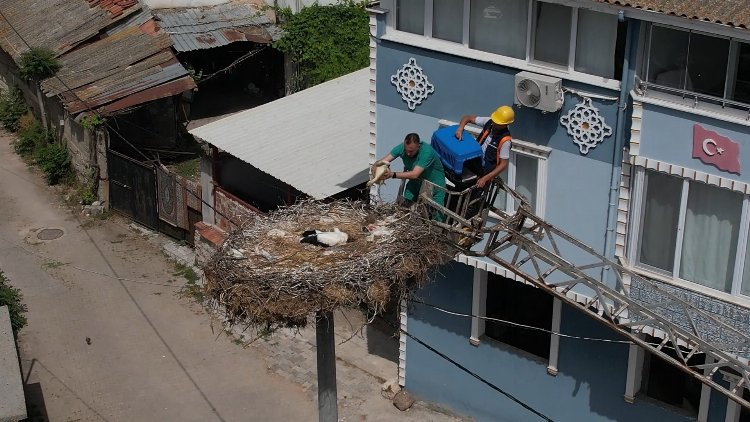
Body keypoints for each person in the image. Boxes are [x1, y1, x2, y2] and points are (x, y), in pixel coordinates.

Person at [372, 133, 446, 218]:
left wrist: (392, 174)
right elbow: (384, 161)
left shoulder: (427, 152)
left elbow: (415, 174)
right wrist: (376, 167)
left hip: (434, 184)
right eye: (406, 150)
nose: (407, 154)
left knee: (436, 213)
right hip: (416, 182)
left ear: (418, 146)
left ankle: (435, 229)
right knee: (405, 205)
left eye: (411, 151)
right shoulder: (402, 148)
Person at [455, 105, 514, 188]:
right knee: (459, 186)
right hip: (472, 162)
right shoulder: (489, 122)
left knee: (473, 197)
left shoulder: (505, 141)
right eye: (494, 121)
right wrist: (460, 128)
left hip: (484, 173)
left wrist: (485, 178)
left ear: (506, 124)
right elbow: (467, 118)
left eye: (498, 123)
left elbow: (503, 165)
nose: (494, 124)